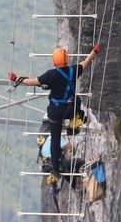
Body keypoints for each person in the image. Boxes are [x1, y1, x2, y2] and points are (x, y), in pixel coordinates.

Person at [9, 44, 101, 182]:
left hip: (55, 112)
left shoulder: (50, 75)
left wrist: (16, 79)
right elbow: (85, 62)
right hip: (69, 110)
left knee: (55, 140)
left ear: (54, 61)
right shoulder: (73, 71)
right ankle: (72, 126)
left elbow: (33, 82)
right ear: (66, 59)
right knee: (77, 100)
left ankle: (56, 170)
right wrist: (94, 51)